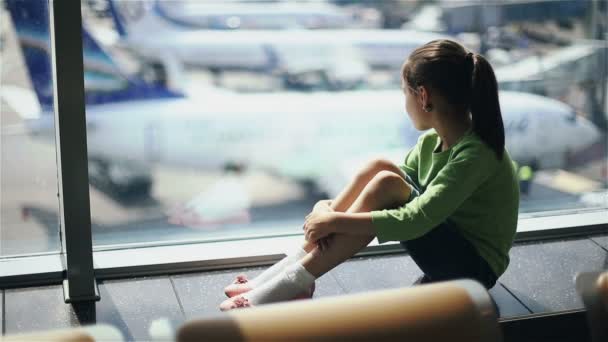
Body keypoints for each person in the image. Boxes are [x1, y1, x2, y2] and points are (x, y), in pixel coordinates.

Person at [220, 39, 520, 311]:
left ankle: (292, 282)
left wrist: (334, 220)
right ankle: (287, 278)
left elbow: (417, 217)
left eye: (405, 93)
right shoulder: (432, 142)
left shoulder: (475, 154)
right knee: (379, 167)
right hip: (450, 246)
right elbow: (396, 184)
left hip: (472, 270)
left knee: (386, 182)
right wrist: (330, 209)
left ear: (424, 96)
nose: (405, 103)